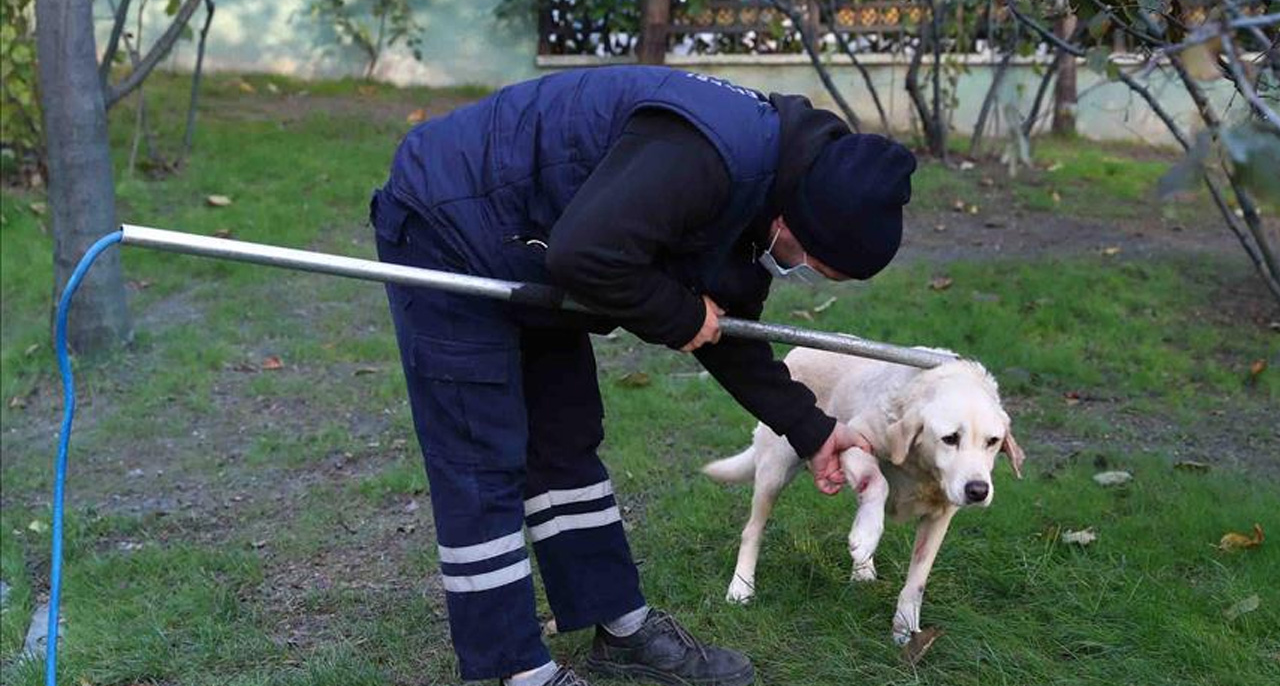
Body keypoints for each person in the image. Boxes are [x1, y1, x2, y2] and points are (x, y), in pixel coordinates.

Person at [369, 66, 916, 686]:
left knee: (563, 437)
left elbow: (727, 334)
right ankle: (510, 670)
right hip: (453, 220)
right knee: (481, 455)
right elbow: (587, 255)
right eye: (811, 266)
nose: (800, 274)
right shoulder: (710, 157)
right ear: (793, 224)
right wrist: (677, 312)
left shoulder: (772, 188)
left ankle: (619, 626)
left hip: (540, 240)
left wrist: (815, 431)